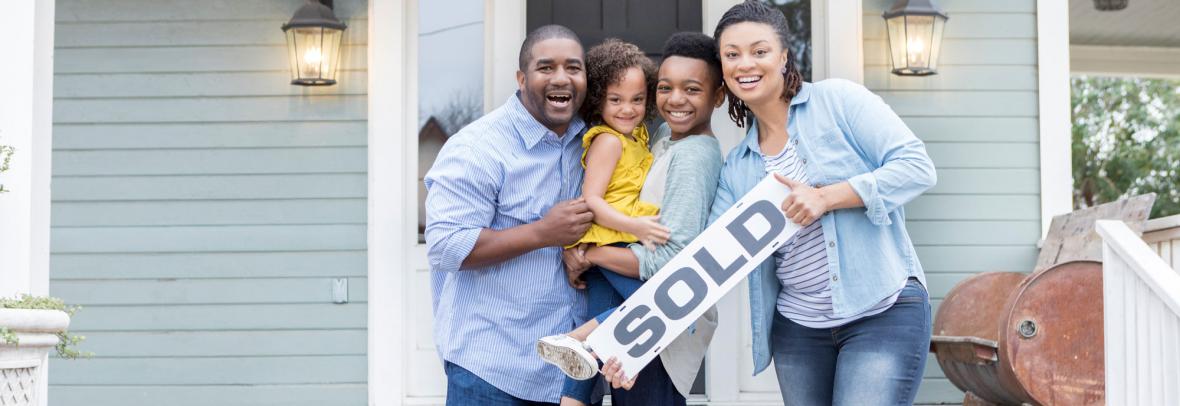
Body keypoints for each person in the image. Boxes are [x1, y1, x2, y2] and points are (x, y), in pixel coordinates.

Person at [710, 1, 938, 405]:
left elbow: (917, 167)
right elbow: (711, 255)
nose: (745, 63)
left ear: (783, 57)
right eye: (732, 54)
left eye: (759, 51)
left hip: (880, 311)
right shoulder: (737, 166)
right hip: (799, 330)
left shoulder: (838, 102)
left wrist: (826, 197)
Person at [424, 24, 595, 406]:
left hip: (573, 378)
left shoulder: (593, 142)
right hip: (493, 371)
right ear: (521, 79)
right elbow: (446, 247)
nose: (561, 78)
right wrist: (544, 233)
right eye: (545, 67)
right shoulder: (478, 148)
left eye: (573, 67)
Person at [559, 32, 728, 406]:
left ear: (717, 96)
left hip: (661, 329)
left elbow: (670, 262)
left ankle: (580, 342)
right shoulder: (663, 135)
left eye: (693, 89)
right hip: (640, 323)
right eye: (666, 88)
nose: (676, 100)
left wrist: (592, 253)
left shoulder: (694, 155)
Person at [533, 37, 669, 402]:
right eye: (616, 100)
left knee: (591, 345)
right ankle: (571, 340)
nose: (628, 109)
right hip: (611, 239)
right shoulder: (608, 141)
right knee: (652, 306)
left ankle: (571, 397)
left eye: (637, 99)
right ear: (598, 101)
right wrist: (637, 227)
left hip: (613, 240)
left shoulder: (638, 137)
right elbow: (592, 199)